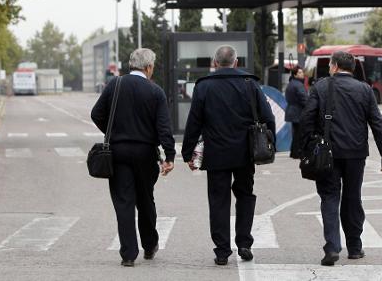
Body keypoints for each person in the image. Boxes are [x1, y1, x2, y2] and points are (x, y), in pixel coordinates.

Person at [182, 45, 276, 266]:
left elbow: (194, 122)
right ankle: (244, 243)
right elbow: (268, 117)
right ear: (236, 63)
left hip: (216, 154)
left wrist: (188, 153)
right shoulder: (250, 83)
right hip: (246, 152)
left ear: (215, 63)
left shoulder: (203, 87)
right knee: (245, 195)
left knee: (218, 201)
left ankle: (222, 251)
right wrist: (270, 144)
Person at [301, 50, 382, 267]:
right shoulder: (365, 90)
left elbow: (307, 119)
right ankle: (354, 247)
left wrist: (303, 150)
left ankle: (332, 247)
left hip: (327, 155)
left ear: (333, 66)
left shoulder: (321, 87)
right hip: (356, 154)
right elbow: (377, 123)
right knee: (353, 198)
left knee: (330, 197)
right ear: (351, 69)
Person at [91, 48, 176, 267]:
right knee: (146, 199)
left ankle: (128, 254)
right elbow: (164, 128)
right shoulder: (155, 91)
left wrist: (112, 133)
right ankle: (149, 245)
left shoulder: (115, 85)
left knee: (124, 202)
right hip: (146, 154)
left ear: (131, 65)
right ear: (148, 67)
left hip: (118, 153)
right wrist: (169, 155)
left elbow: (96, 113)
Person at [285, 65, 308, 159]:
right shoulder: (298, 85)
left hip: (292, 111)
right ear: (295, 75)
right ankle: (298, 153)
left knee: (296, 133)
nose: (302, 74)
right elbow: (304, 99)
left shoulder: (291, 83)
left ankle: (294, 152)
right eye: (300, 72)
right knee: (300, 133)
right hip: (298, 112)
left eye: (302, 72)